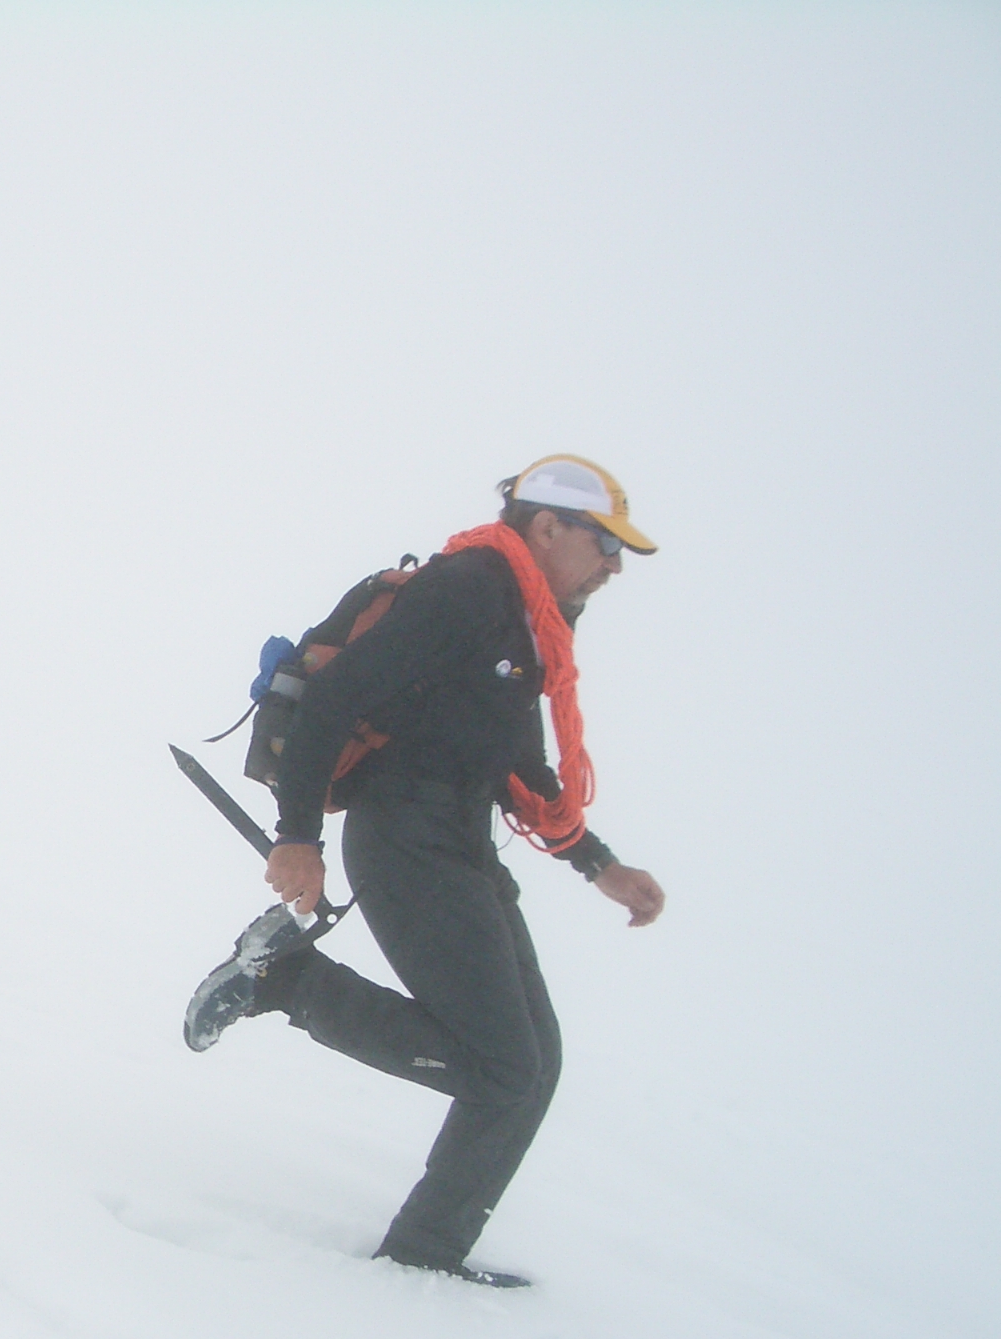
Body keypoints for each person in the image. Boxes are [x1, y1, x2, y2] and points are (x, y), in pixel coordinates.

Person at [185, 454, 666, 1288]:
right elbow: (335, 702)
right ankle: (286, 984)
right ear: (547, 526)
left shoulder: (524, 618)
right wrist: (296, 835)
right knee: (506, 1071)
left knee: (531, 1067)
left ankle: (427, 1253)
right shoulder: (469, 588)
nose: (615, 565)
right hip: (405, 840)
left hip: (459, 841)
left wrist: (600, 865)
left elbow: (518, 764)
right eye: (605, 542)